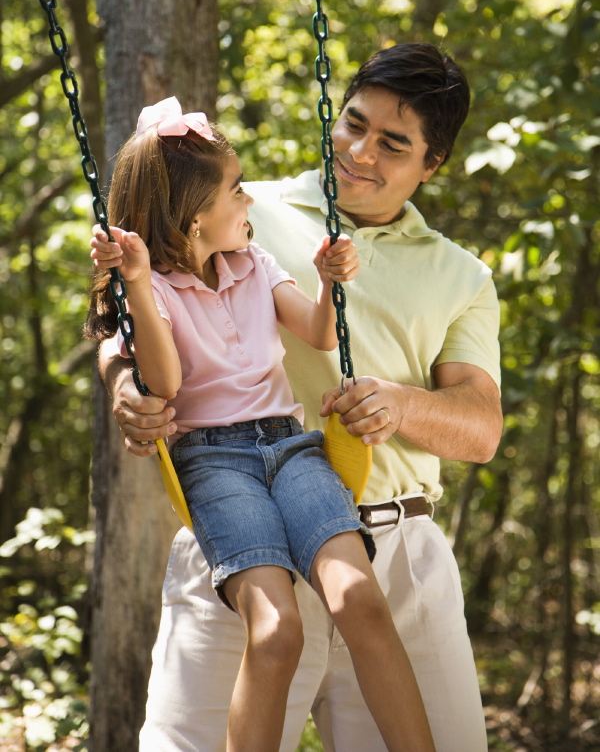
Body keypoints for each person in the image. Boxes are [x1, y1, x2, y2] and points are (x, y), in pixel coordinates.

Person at [100, 42, 503, 752]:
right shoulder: (248, 211)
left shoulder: (462, 274)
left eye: (392, 144)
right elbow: (118, 315)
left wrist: (401, 402)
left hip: (391, 547)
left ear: (431, 164)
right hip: (238, 528)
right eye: (353, 123)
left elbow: (481, 431)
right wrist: (122, 383)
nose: (358, 151)